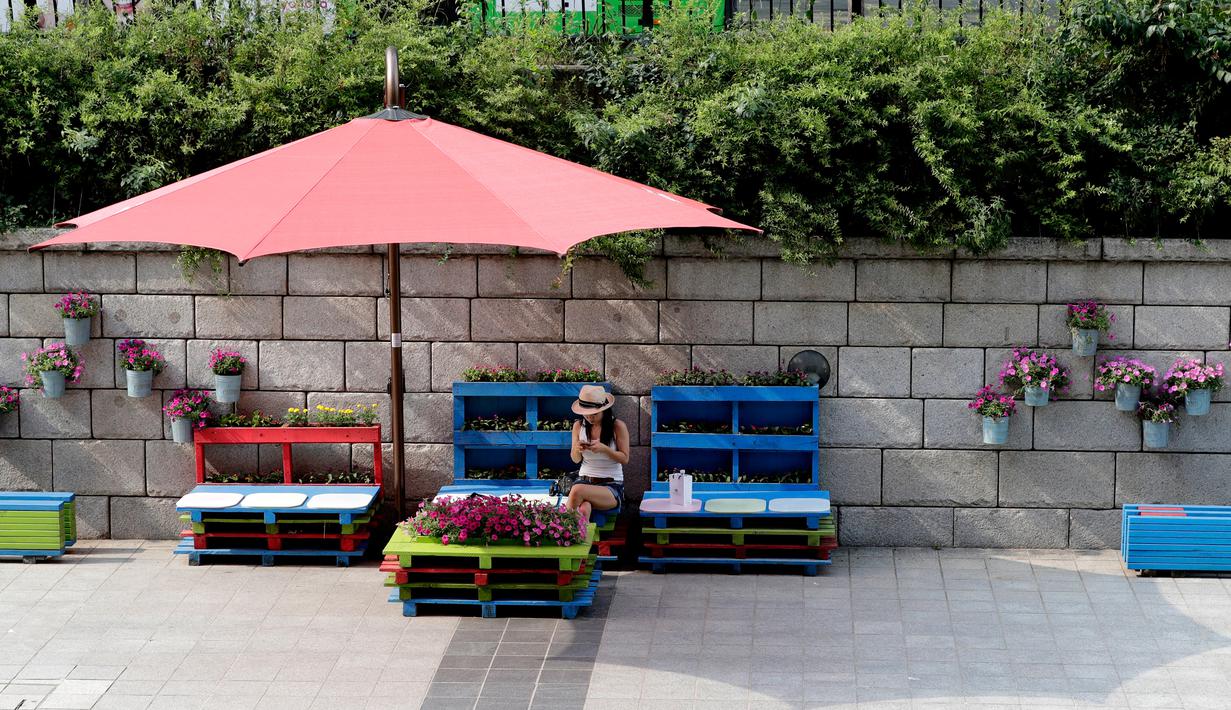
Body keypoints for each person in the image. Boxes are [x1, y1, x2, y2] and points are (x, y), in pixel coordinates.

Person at [566, 384, 628, 520]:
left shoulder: (617, 426)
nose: (589, 418)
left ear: (604, 410)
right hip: (584, 480)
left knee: (577, 491)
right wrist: (577, 448)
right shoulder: (578, 426)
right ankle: (578, 537)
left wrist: (604, 449)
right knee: (584, 508)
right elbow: (575, 459)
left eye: (594, 414)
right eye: (586, 414)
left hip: (611, 486)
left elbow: (624, 458)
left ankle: (561, 532)